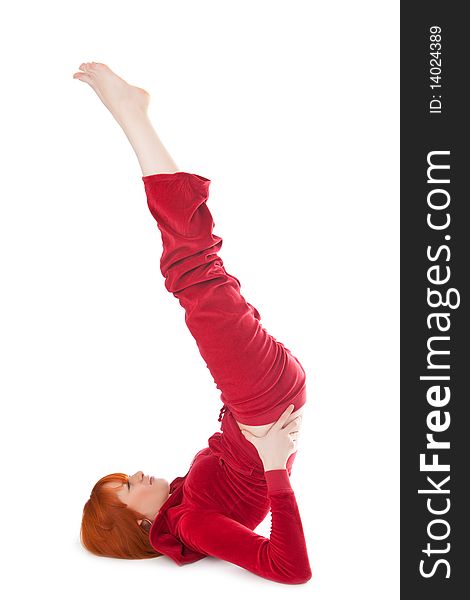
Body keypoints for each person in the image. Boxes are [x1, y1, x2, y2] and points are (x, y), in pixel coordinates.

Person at [75, 62, 311, 585]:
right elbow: (291, 571)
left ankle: (134, 115)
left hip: (249, 398)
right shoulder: (193, 525)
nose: (136, 474)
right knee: (193, 274)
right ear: (137, 519)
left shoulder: (186, 504)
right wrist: (274, 463)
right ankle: (133, 115)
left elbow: (230, 471)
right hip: (261, 402)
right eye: (127, 487)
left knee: (198, 276)